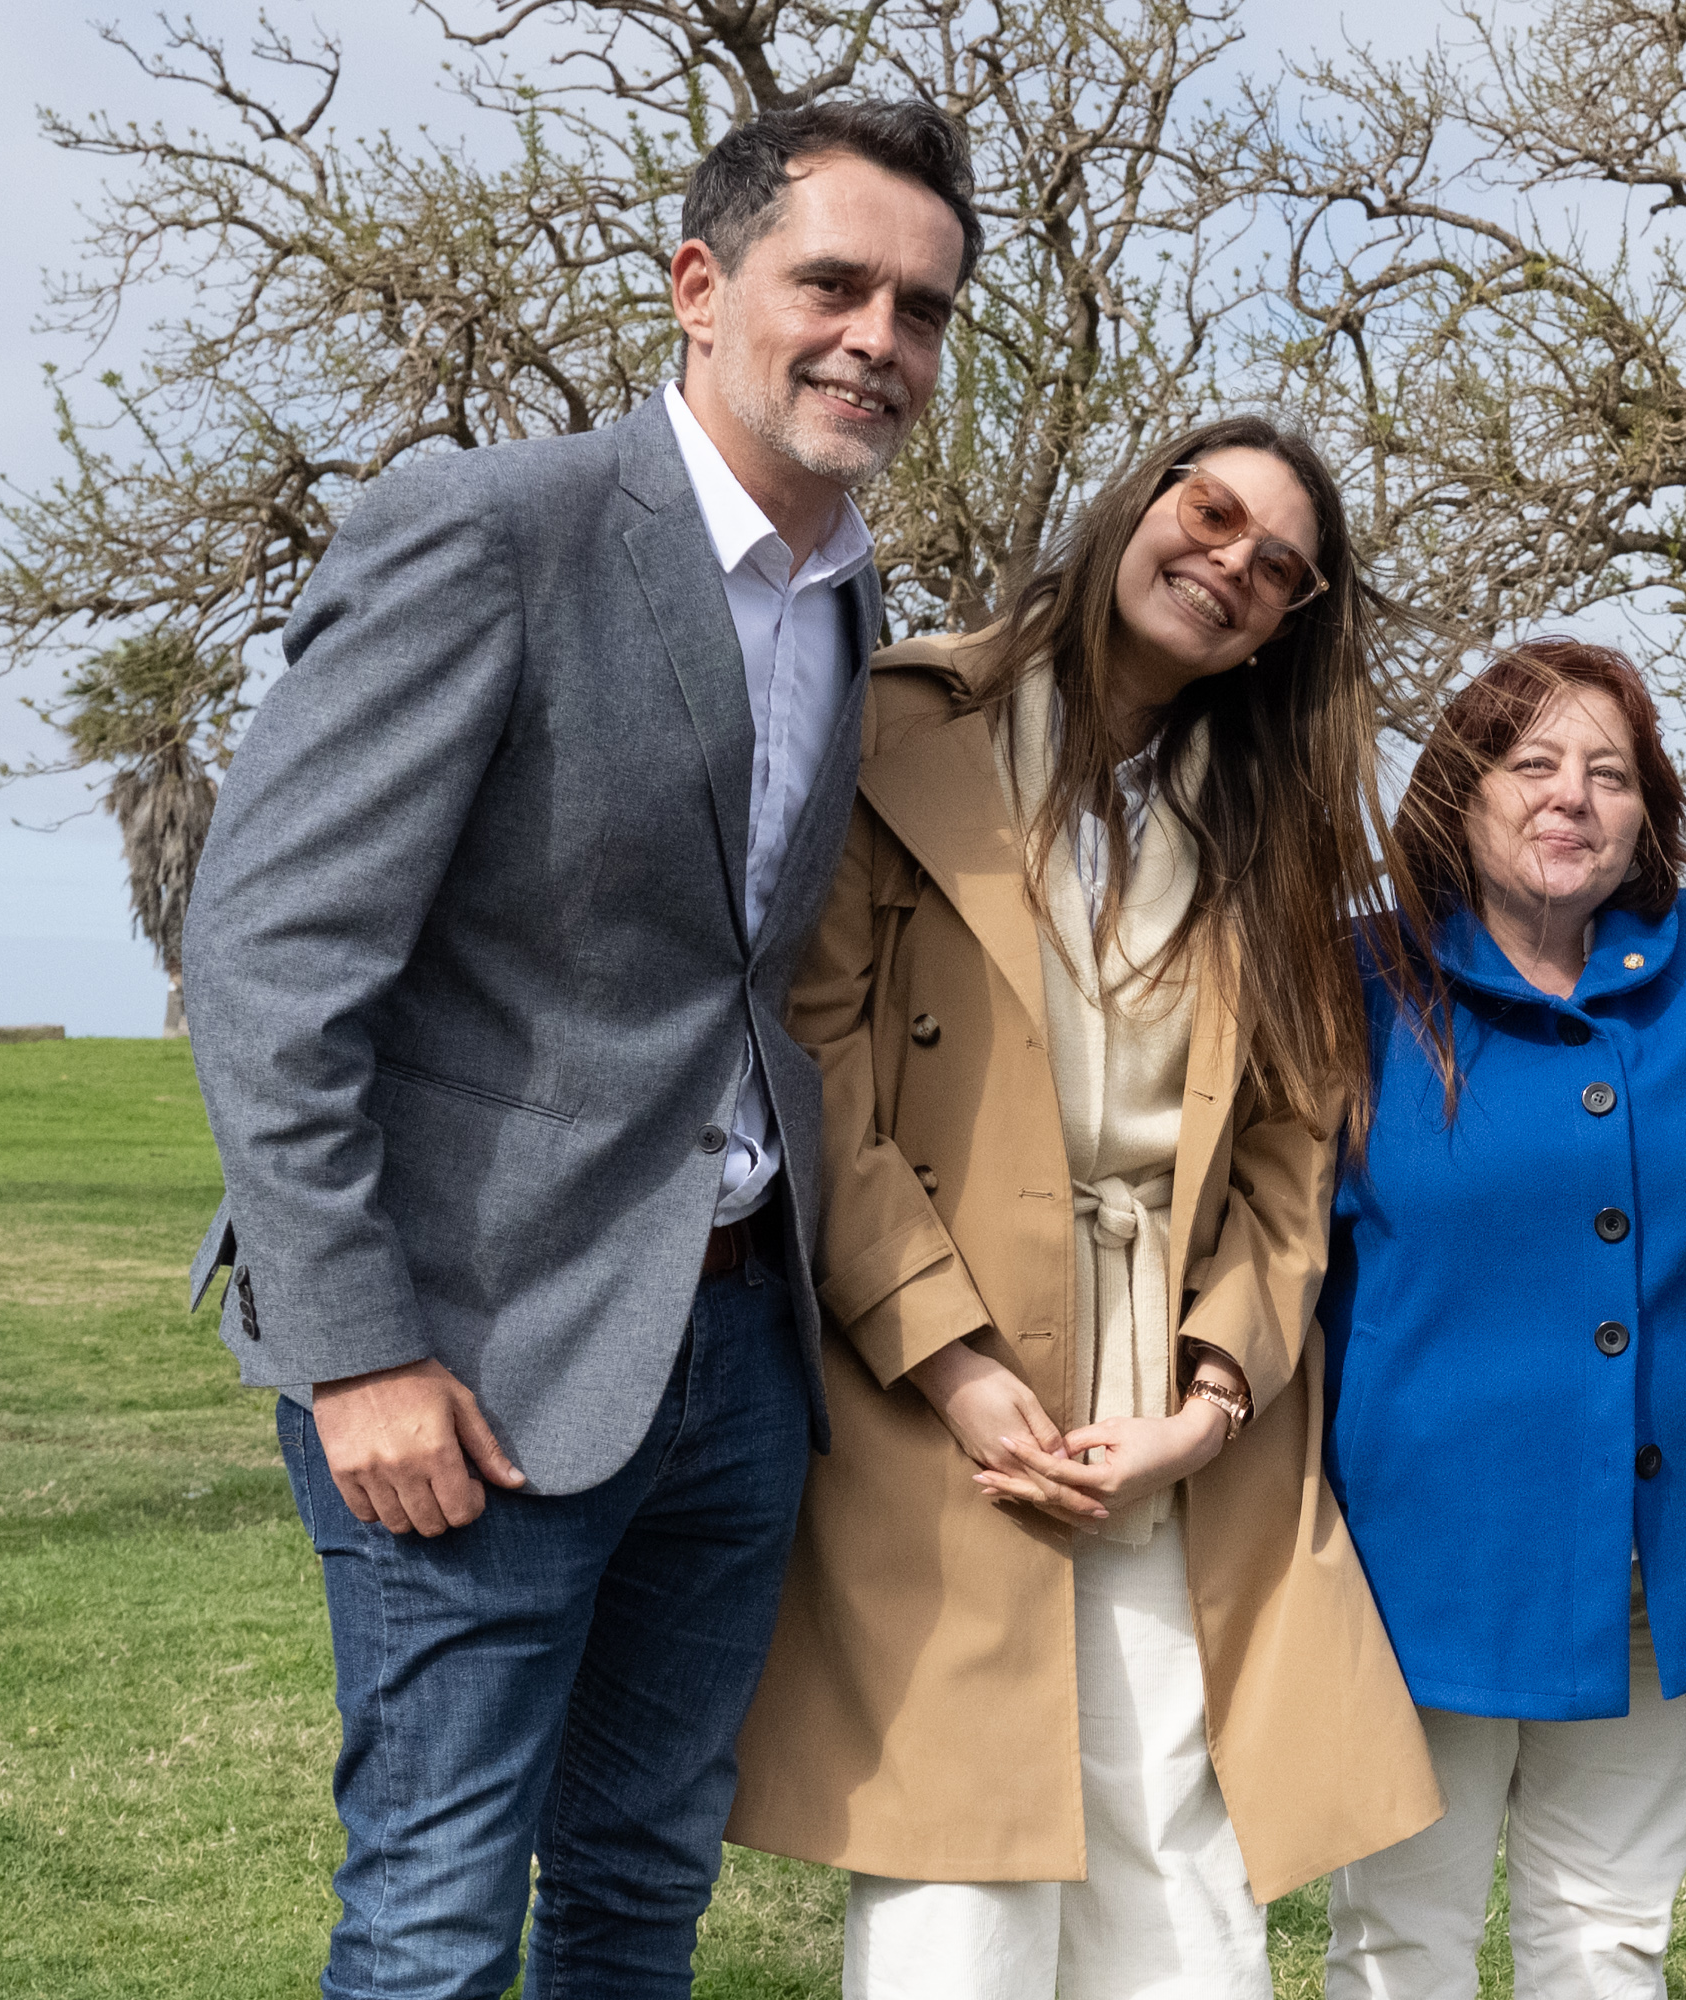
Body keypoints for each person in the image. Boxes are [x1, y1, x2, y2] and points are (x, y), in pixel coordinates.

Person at [179, 100, 980, 1998]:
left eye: (925, 308)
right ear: (701, 290)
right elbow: (271, 953)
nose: (882, 335)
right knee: (441, 1915)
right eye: (836, 283)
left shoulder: (848, 596)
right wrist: (358, 1348)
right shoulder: (494, 527)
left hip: (732, 1353)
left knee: (639, 1888)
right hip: (469, 1359)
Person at [723, 417, 1444, 1998]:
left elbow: (1286, 1145)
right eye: (1210, 511)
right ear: (1137, 498)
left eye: (1280, 569)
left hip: (1173, 1414)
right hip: (940, 1374)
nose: (1231, 565)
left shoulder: (1272, 821)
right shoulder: (906, 720)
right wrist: (957, 1367)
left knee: (1178, 1876)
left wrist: (1210, 1398)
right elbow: (817, 1068)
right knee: (955, 1893)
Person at [1317, 640, 1686, 2000]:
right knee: (1401, 1935)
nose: (1570, 798)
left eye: (1609, 773)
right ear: (1457, 796)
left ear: (1649, 811)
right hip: (1425, 1551)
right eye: (1529, 764)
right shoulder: (1350, 982)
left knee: (1608, 1930)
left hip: (1669, 1545)